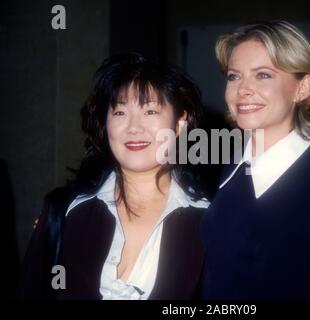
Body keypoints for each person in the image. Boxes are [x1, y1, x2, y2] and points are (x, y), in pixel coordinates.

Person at [18, 53, 209, 300]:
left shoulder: (210, 222)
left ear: (179, 124)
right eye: (120, 112)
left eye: (150, 111)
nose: (134, 127)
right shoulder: (63, 211)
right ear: (105, 123)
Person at [201, 21, 310, 299]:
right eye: (234, 76)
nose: (243, 89)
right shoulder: (227, 171)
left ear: (302, 89)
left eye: (263, 75)